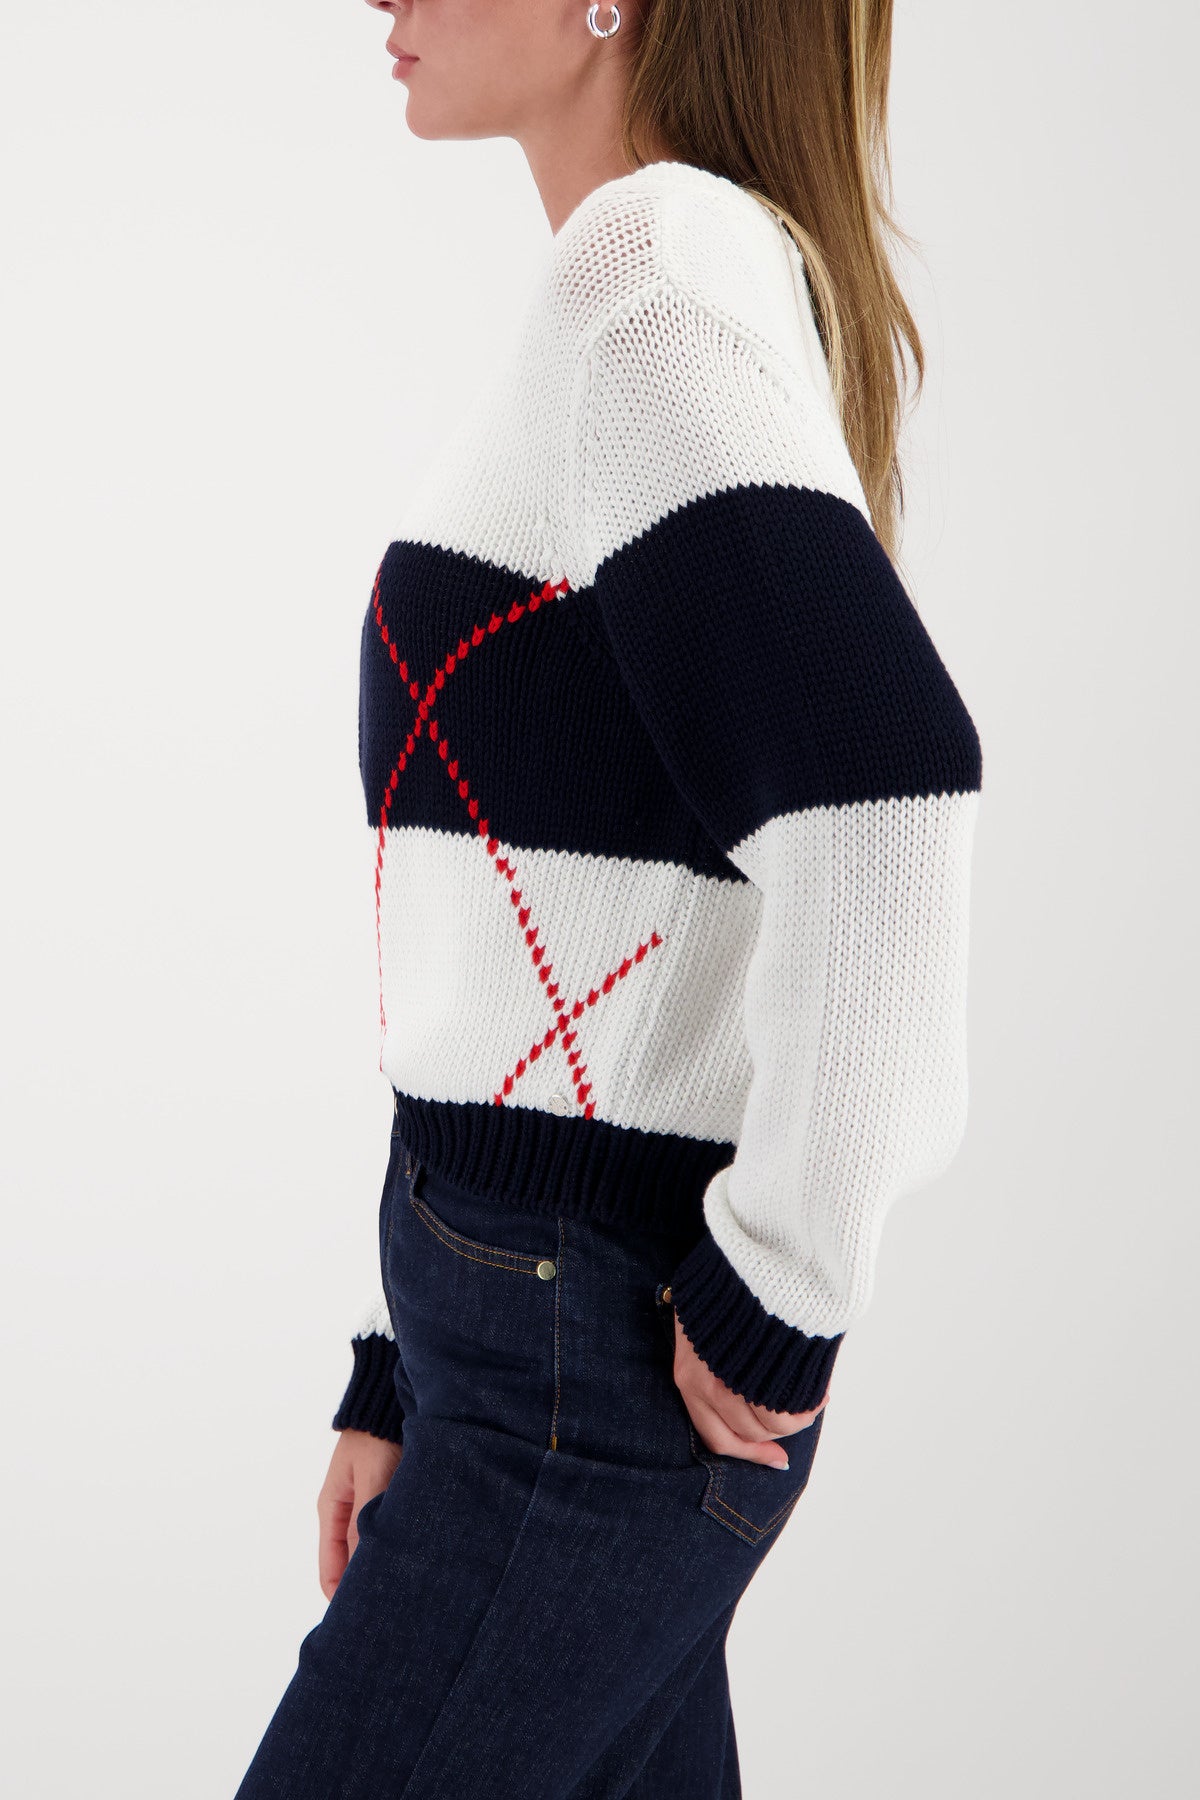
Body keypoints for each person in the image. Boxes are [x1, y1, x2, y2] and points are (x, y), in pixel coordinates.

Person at [233, 2, 982, 1794]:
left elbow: (888, 799)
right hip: (531, 1350)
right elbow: (536, 920)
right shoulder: (636, 295)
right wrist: (411, 1369)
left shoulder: (653, 283)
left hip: (586, 1371)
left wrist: (785, 1279)